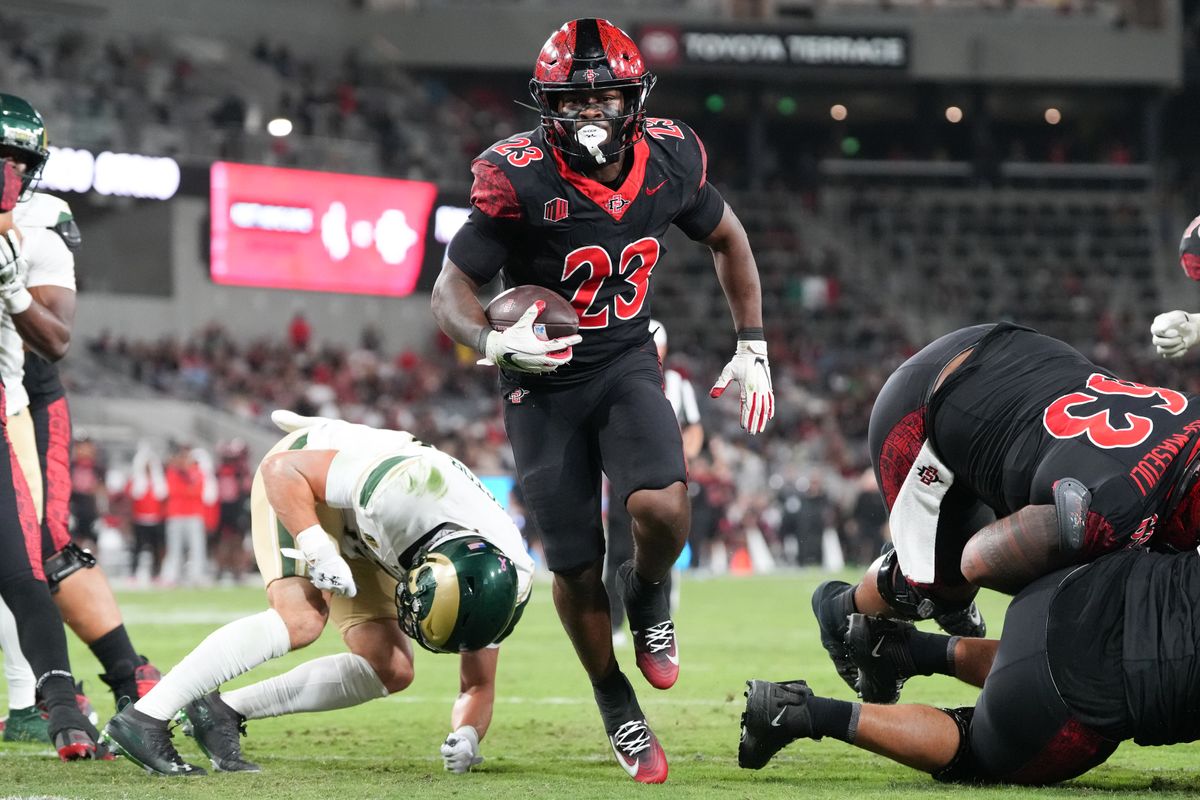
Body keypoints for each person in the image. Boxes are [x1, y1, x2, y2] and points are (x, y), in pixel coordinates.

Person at [431, 18, 774, 783]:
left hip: (622, 360)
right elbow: (450, 287)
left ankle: (648, 593)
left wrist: (751, 341)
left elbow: (730, 239)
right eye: (572, 103)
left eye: (606, 100)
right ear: (547, 107)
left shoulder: (670, 158)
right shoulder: (515, 174)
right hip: (540, 380)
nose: (591, 116)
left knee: (661, 508)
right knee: (576, 564)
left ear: (633, 99)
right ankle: (613, 696)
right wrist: (490, 343)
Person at [102, 411, 533, 777]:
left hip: (377, 530)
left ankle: (221, 710)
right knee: (302, 620)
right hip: (305, 481)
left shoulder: (502, 586)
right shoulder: (404, 490)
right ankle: (146, 716)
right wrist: (319, 548)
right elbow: (282, 472)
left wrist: (468, 734)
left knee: (392, 667)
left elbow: (477, 684)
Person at [813, 321, 1200, 699]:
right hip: (926, 404)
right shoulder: (1109, 512)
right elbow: (978, 561)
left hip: (1026, 361)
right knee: (941, 588)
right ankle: (840, 609)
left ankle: (942, 576)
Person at [741, 546, 1200, 785]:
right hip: (1072, 693)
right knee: (976, 747)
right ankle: (798, 711)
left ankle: (901, 645)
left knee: (1062, 650)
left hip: (1060, 593)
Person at [0, 91, 106, 758]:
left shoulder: (45, 217)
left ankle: (50, 699)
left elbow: (54, 335)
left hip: (18, 401)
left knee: (35, 557)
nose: (7, 173)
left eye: (16, 161)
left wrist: (10, 283)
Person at [605, 319, 701, 645]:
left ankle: (661, 622)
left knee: (662, 548)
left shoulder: (676, 384)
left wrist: (675, 454)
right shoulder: (616, 378)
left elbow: (695, 429)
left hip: (662, 479)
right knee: (618, 551)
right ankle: (615, 623)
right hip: (625, 478)